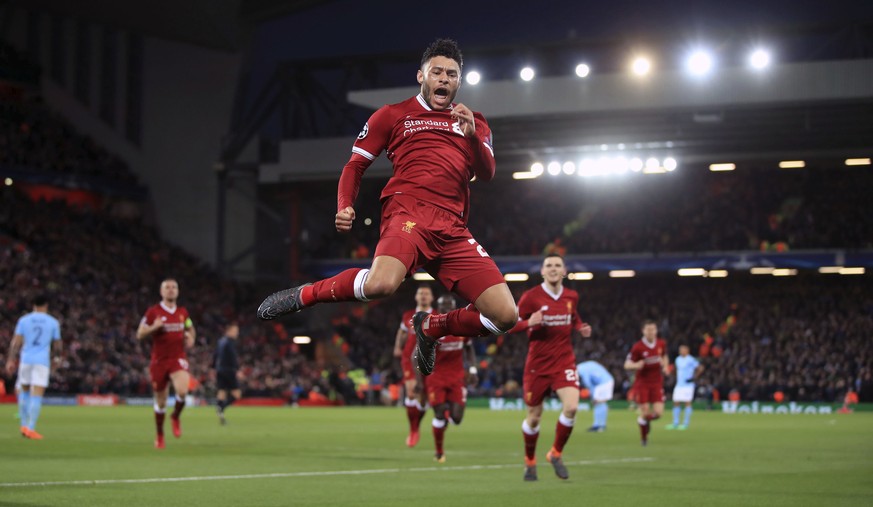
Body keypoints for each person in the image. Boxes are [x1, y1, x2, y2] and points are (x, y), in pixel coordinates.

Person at [256, 38, 518, 378]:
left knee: (505, 317)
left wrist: (470, 136)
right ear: (420, 76)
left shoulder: (474, 121)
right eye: (436, 72)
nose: (443, 79)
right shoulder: (392, 115)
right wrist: (345, 205)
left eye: (451, 74)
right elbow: (355, 165)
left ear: (458, 81)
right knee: (381, 285)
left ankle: (432, 327)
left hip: (452, 229)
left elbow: (487, 173)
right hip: (408, 216)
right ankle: (305, 295)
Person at [508, 255, 592, 481]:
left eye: (557, 265)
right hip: (537, 366)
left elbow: (573, 316)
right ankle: (529, 461)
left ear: (564, 271)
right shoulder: (530, 297)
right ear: (542, 272)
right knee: (534, 417)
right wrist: (529, 323)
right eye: (549, 266)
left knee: (572, 408)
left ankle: (555, 453)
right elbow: (508, 324)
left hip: (564, 362)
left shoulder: (571, 296)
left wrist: (580, 327)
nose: (553, 269)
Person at [136, 278, 196, 449]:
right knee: (161, 402)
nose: (171, 290)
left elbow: (190, 327)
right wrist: (154, 327)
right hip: (159, 361)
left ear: (178, 291)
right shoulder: (153, 312)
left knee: (183, 391)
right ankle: (160, 434)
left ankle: (175, 416)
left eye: (174, 287)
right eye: (167, 287)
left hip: (177, 358)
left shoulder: (183, 312)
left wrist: (191, 337)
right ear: (161, 292)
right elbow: (139, 334)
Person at [426, 295, 477, 463]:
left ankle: (449, 414)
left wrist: (473, 369)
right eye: (443, 307)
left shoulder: (462, 328)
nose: (446, 310)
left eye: (449, 307)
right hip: (436, 377)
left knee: (457, 418)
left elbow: (469, 349)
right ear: (438, 309)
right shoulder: (430, 329)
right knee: (439, 414)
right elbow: (416, 355)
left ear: (454, 309)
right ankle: (439, 452)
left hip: (457, 377)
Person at [5, 295, 61, 439]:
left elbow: (15, 342)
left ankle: (23, 425)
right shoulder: (53, 322)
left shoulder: (24, 320)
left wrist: (11, 360)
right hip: (41, 361)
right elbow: (57, 344)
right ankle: (31, 428)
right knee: (37, 394)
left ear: (33, 305)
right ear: (46, 305)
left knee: (23, 391)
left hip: (26, 359)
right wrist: (57, 358)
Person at [392, 285, 434, 447]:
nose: (423, 296)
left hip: (429, 359)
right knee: (411, 392)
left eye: (426, 293)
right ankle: (413, 430)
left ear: (431, 298)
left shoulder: (437, 315)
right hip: (409, 358)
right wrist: (397, 347)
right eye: (420, 293)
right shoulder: (408, 316)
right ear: (416, 297)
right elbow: (402, 332)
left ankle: (416, 425)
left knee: (423, 399)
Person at [624, 320, 668, 446]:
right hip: (642, 383)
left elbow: (664, 356)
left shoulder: (661, 344)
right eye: (648, 330)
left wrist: (665, 366)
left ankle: (644, 421)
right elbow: (627, 365)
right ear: (643, 331)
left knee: (659, 413)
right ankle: (644, 438)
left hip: (657, 382)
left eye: (653, 329)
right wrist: (636, 364)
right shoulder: (637, 347)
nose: (651, 332)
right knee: (645, 411)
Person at [667, 345, 703, 430]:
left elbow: (700, 368)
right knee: (676, 402)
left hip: (688, 385)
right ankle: (675, 423)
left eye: (683, 350)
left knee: (687, 403)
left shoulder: (690, 359)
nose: (681, 351)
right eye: (680, 350)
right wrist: (673, 374)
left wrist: (694, 377)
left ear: (687, 351)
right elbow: (676, 370)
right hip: (679, 384)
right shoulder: (678, 359)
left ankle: (685, 423)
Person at [214, 322, 242, 425]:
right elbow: (232, 357)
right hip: (229, 370)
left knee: (221, 392)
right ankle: (221, 407)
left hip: (219, 370)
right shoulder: (229, 343)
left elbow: (215, 355)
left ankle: (220, 413)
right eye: (235, 331)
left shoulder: (220, 341)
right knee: (237, 394)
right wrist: (237, 370)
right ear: (229, 331)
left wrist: (213, 368)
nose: (236, 333)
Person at [576, 360, 614, 432]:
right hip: (606, 380)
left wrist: (592, 396)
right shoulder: (584, 365)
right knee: (601, 403)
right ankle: (601, 425)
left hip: (603, 383)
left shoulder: (582, 371)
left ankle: (597, 425)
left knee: (597, 403)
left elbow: (588, 384)